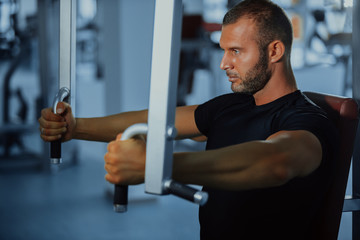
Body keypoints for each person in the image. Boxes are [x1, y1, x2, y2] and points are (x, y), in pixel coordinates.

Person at [38, 0, 338, 239]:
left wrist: (155, 166)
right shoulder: (230, 106)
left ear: (275, 51)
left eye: (236, 51)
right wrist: (75, 128)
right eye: (223, 51)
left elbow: (275, 161)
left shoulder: (307, 120)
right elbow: (153, 120)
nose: (224, 64)